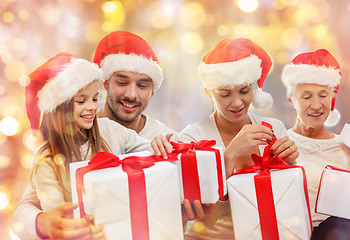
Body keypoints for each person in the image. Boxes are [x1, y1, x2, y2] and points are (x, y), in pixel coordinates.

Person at [12, 52, 167, 239]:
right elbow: (58, 213)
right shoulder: (46, 158)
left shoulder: (108, 129)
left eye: (94, 99)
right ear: (60, 107)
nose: (92, 107)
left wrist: (157, 144)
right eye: (81, 101)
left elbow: (150, 153)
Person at [177, 38, 299, 239]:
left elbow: (286, 204)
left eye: (244, 91)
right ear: (208, 92)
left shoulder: (273, 128)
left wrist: (291, 165)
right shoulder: (193, 138)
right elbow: (199, 218)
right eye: (225, 94)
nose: (236, 103)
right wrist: (229, 155)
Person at [281, 49, 350, 239]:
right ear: (292, 100)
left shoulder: (346, 149)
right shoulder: (280, 146)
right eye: (307, 96)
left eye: (323, 95)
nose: (317, 105)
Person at [93, 30, 178, 141]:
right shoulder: (80, 134)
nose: (131, 95)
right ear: (106, 83)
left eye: (142, 85)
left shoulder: (169, 141)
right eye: (122, 83)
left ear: (152, 92)